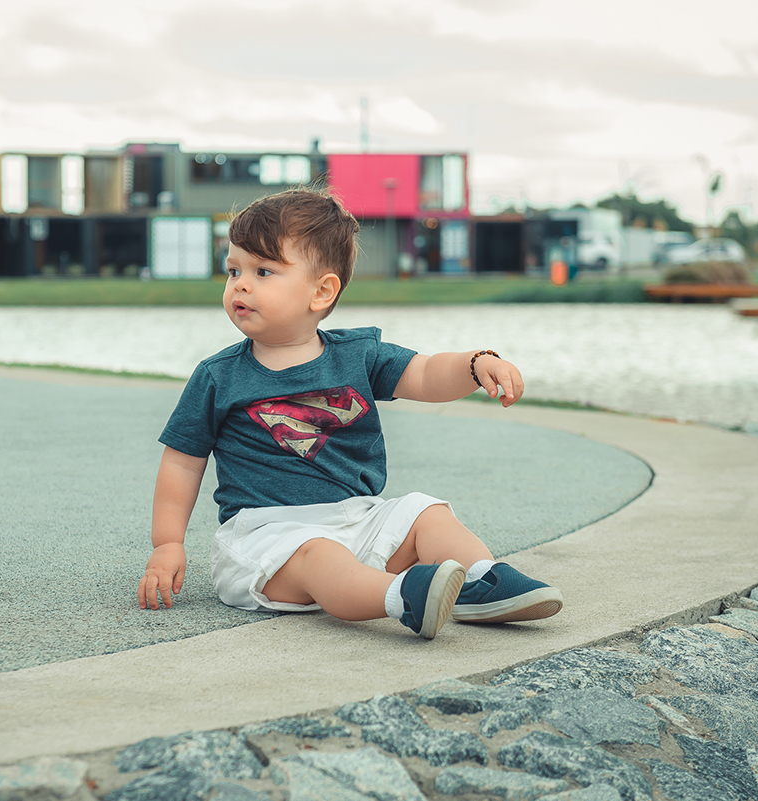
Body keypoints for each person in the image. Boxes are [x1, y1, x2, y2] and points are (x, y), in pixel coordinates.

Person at [136, 188, 563, 639]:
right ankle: (402, 598)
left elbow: (426, 372)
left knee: (426, 511)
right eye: (233, 270)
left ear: (321, 291)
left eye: (263, 271)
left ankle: (481, 581)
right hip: (268, 538)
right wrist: (167, 544)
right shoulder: (220, 376)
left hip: (357, 519)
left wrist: (477, 363)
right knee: (320, 557)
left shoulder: (358, 355)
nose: (240, 284)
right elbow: (183, 462)